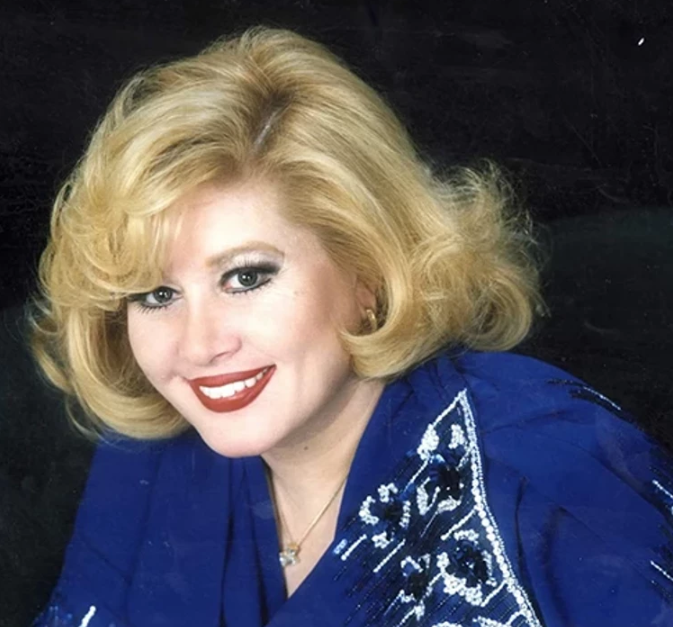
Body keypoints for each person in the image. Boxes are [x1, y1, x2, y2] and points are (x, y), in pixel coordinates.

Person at [30, 27, 672, 626]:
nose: (199, 345)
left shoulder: (545, 469)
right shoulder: (146, 466)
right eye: (157, 294)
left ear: (368, 269)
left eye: (246, 277)